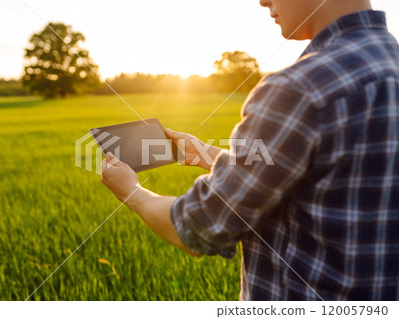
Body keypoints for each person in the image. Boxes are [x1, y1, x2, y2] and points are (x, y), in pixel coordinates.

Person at [101, 0, 399, 300]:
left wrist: (131, 192)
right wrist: (207, 154)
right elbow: (322, 175)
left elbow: (197, 227)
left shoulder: (299, 87)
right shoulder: (388, 62)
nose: (263, 1)